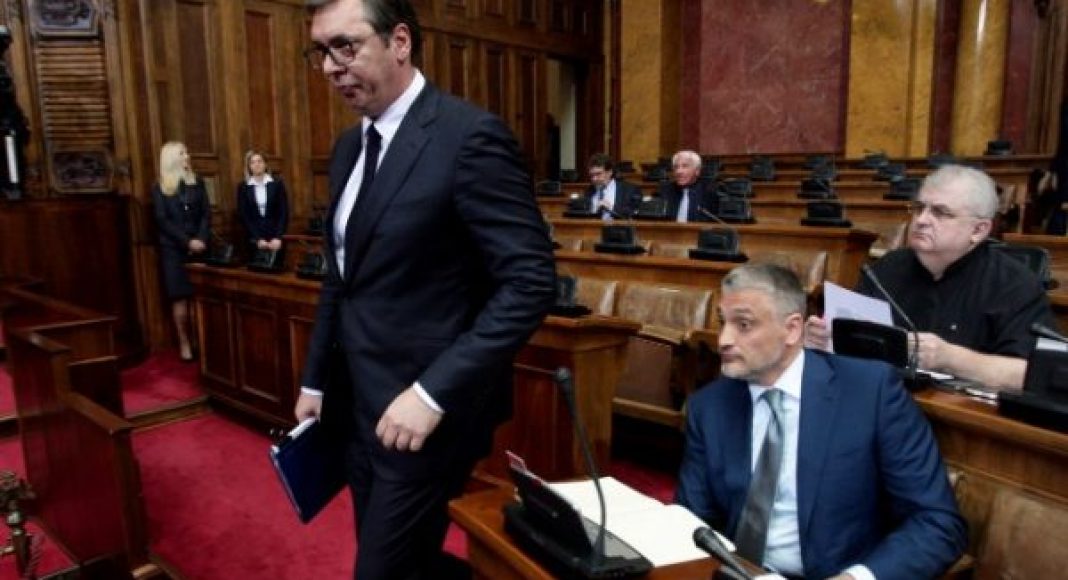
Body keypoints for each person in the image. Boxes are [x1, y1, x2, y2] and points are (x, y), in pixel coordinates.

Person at [296, 1, 556, 578]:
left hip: (426, 418)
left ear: (400, 42)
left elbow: (531, 282)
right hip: (355, 406)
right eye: (320, 52)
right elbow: (341, 276)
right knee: (401, 563)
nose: (331, 67)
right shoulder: (348, 148)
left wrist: (433, 393)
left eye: (345, 46)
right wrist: (316, 379)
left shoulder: (470, 138)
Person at [676, 263, 966, 580]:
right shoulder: (710, 406)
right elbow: (692, 522)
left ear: (792, 329)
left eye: (743, 325)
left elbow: (937, 523)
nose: (723, 340)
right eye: (723, 323)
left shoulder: (869, 393)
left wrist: (856, 579)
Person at [806, 164, 1056, 389]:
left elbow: (1030, 373)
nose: (921, 220)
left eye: (940, 212)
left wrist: (951, 358)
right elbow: (856, 341)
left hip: (962, 417)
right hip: (885, 399)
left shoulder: (1014, 283)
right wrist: (825, 337)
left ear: (979, 230)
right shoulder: (887, 268)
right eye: (919, 208)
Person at [152, 141, 210, 362]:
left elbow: (205, 214)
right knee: (180, 300)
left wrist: (201, 239)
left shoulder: (198, 182)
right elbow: (162, 220)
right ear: (171, 159)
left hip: (200, 247)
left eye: (187, 152)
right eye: (182, 153)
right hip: (174, 250)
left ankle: (201, 342)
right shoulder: (160, 187)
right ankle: (184, 341)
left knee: (200, 300)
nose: (187, 156)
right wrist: (187, 242)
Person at [235, 149, 289, 253]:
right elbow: (244, 215)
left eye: (259, 161)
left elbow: (283, 212)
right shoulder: (243, 187)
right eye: (252, 162)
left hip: (276, 238)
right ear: (249, 167)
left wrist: (278, 237)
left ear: (265, 164)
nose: (257, 165)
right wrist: (258, 238)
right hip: (254, 239)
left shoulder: (277, 184)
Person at [656, 149, 717, 222]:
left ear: (697, 171)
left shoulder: (709, 193)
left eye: (685, 166)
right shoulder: (665, 191)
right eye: (676, 167)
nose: (679, 171)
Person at [581, 153, 642, 219]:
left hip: (619, 225)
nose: (594, 179)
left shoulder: (629, 190)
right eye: (592, 175)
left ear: (610, 172)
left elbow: (634, 213)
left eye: (598, 174)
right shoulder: (589, 191)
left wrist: (611, 208)